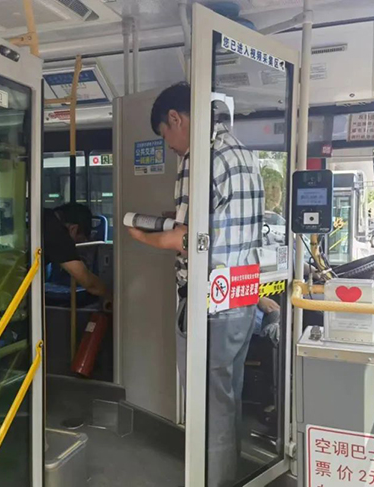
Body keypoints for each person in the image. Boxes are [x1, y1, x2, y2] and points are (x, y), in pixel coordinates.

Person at [128, 82, 265, 487]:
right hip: (240, 294)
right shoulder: (242, 153)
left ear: (176, 118)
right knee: (226, 398)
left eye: (165, 134)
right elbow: (218, 226)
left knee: (208, 406)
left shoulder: (199, 157)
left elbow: (187, 240)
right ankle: (226, 475)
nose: (169, 145)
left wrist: (141, 235)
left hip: (209, 304)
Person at [44, 202, 112, 301]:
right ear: (74, 229)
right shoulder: (58, 235)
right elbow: (89, 283)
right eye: (78, 240)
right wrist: (112, 296)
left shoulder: (43, 215)